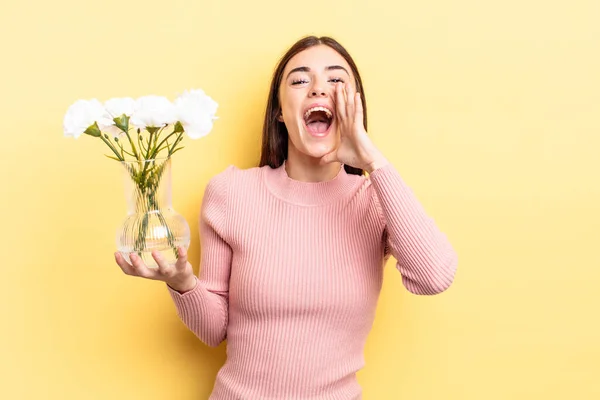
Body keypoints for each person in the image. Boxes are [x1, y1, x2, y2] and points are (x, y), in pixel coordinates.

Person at [115, 35, 458, 399]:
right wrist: (183, 283)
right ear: (280, 110)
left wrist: (373, 161)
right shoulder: (231, 193)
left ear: (355, 107)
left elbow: (434, 275)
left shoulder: (375, 201)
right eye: (299, 80)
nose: (318, 89)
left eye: (336, 80)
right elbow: (214, 330)